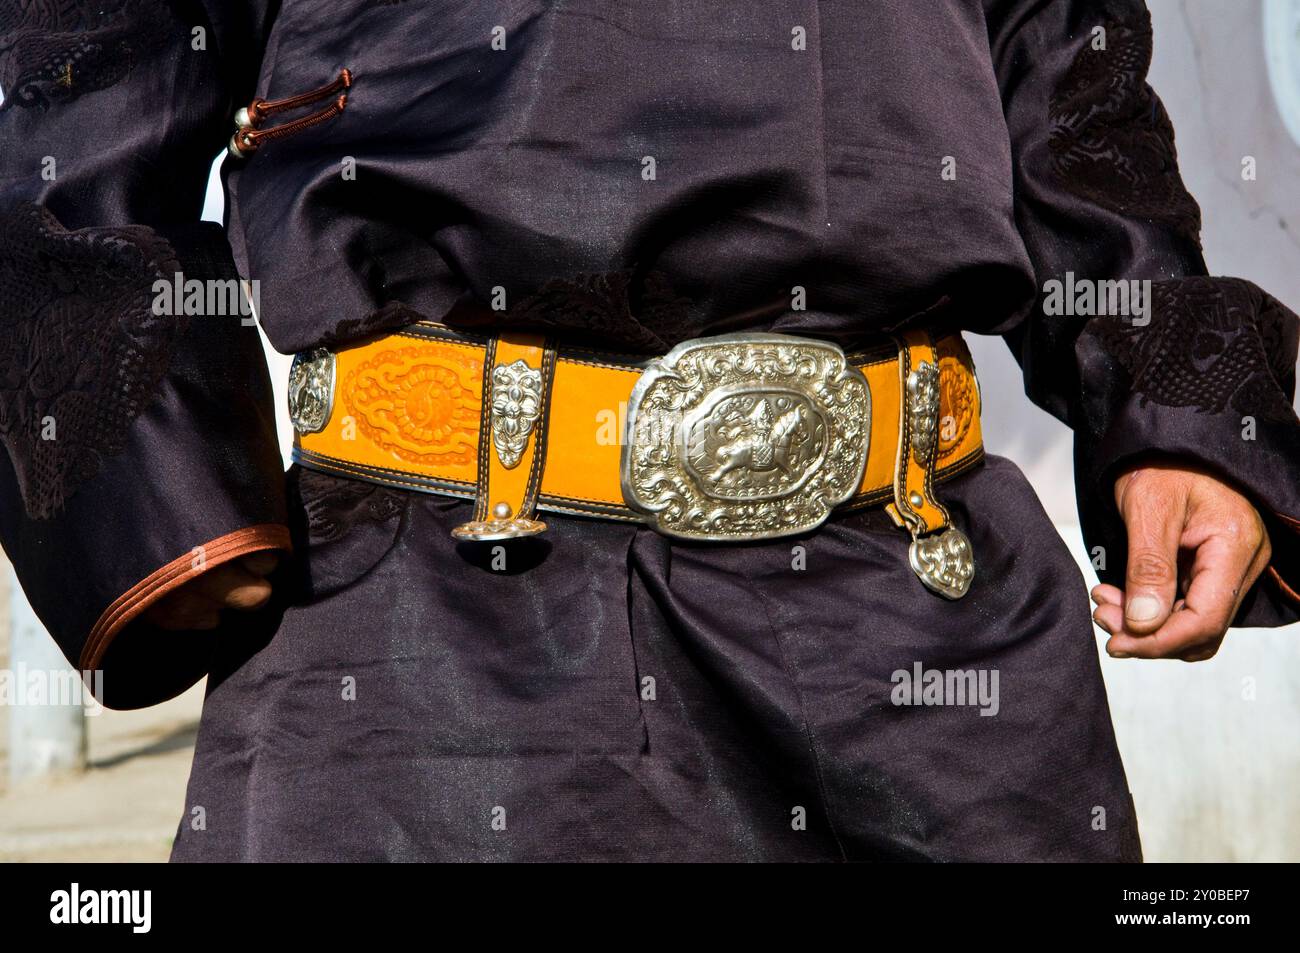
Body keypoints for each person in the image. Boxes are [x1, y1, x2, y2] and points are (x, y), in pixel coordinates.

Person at [0, 0, 1295, 862]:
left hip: (936, 610)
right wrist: (157, 484)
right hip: (438, 618)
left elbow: (1066, 62)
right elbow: (69, 68)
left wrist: (1170, 398)